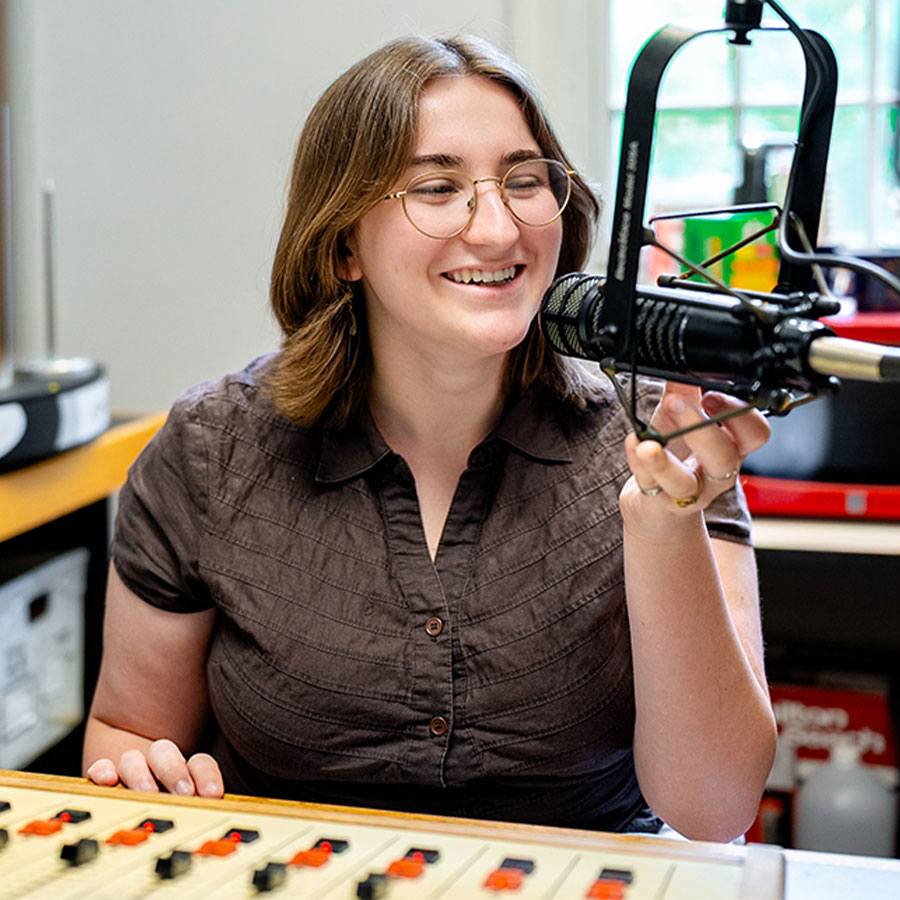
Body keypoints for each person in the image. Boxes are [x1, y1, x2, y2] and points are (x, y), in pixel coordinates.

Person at [82, 34, 776, 842]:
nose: (496, 229)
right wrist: (144, 773)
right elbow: (126, 733)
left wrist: (666, 523)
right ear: (343, 245)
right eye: (438, 188)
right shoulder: (213, 448)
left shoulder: (661, 438)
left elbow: (714, 809)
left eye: (524, 181)